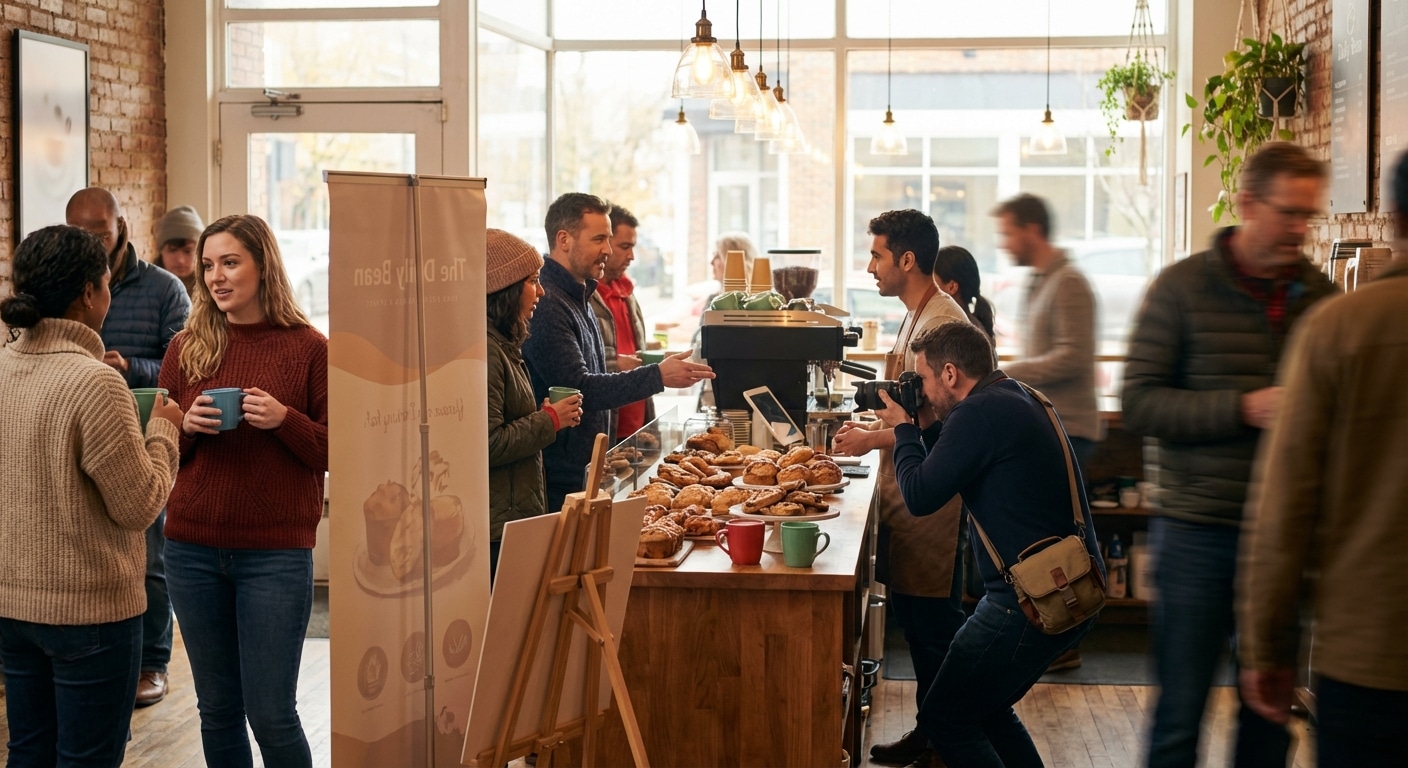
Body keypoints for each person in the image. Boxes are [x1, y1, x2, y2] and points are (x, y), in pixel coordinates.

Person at [1121, 141, 1337, 768]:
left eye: (1308, 215)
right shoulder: (1181, 289)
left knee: (1269, 717)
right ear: (1247, 203)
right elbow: (1139, 402)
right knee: (1179, 716)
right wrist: (1243, 408)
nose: (1300, 228)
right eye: (1288, 212)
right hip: (1196, 533)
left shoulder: (1319, 299)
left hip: (1285, 538)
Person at [1236, 154, 1408, 768]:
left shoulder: (1338, 326)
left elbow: (1285, 509)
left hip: (1368, 654)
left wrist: (1266, 647)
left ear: (1393, 218)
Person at [875, 321, 1103, 767]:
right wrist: (920, 427)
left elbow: (920, 495)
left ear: (950, 374)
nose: (918, 391)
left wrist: (904, 429)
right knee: (985, 710)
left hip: (1024, 601)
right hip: (1064, 585)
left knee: (945, 718)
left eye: (921, 379)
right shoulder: (1015, 395)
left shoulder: (976, 414)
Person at [0, 225, 182, 766]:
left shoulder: (5, 367)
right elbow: (140, 504)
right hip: (90, 613)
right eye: (105, 284)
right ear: (88, 293)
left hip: (12, 603)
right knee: (88, 759)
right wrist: (165, 431)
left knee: (27, 752)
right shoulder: (94, 384)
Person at [158, 214, 328, 767]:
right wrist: (183, 428)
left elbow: (337, 450)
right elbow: (154, 456)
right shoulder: (185, 346)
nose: (215, 277)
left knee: (273, 713)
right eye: (209, 265)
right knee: (217, 708)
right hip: (191, 549)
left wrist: (284, 420)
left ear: (264, 266)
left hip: (276, 555)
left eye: (230, 263)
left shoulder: (309, 348)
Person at [830, 210, 971, 768]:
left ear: (906, 260)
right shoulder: (918, 314)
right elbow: (911, 406)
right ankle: (930, 731)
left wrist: (872, 440)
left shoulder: (941, 320)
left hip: (934, 500)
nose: (870, 268)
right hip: (912, 487)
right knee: (920, 630)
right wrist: (874, 431)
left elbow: (938, 418)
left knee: (934, 632)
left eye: (877, 255)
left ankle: (944, 743)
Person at [66, 186, 191, 707]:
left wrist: (130, 368)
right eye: (80, 235)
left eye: (100, 233)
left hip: (143, 432)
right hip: (74, 425)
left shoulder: (164, 289)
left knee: (150, 552)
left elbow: (187, 361)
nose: (92, 243)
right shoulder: (66, 282)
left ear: (122, 227)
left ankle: (152, 663)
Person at [523, 193, 714, 514]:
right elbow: (579, 387)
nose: (608, 251)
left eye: (610, 240)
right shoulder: (550, 304)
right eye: (599, 239)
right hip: (560, 479)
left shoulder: (581, 295)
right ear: (564, 239)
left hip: (587, 468)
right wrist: (657, 376)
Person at [991, 192, 1100, 672]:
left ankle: (1063, 637)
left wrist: (1013, 371)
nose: (1004, 242)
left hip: (1069, 429)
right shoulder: (1041, 281)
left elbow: (1074, 355)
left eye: (1008, 232)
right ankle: (1054, 633)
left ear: (1032, 230)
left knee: (1058, 547)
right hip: (1051, 425)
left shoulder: (1070, 283)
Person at [485, 228, 584, 580]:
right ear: (506, 290)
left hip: (512, 517)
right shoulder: (488, 351)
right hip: (498, 530)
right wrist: (549, 420)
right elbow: (488, 443)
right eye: (531, 281)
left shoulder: (504, 344)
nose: (540, 291)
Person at [590, 203, 657, 440]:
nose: (631, 256)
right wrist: (616, 364)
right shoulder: (584, 298)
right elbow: (579, 372)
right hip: (607, 431)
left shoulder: (628, 292)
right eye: (624, 247)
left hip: (638, 429)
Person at [932, 244, 996, 340]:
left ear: (952, 287)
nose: (927, 288)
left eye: (932, 281)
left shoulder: (960, 335)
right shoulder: (967, 327)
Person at [154, 205, 205, 296]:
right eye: (172, 250)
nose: (180, 260)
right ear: (161, 251)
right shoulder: (146, 287)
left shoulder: (212, 288)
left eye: (188, 251)